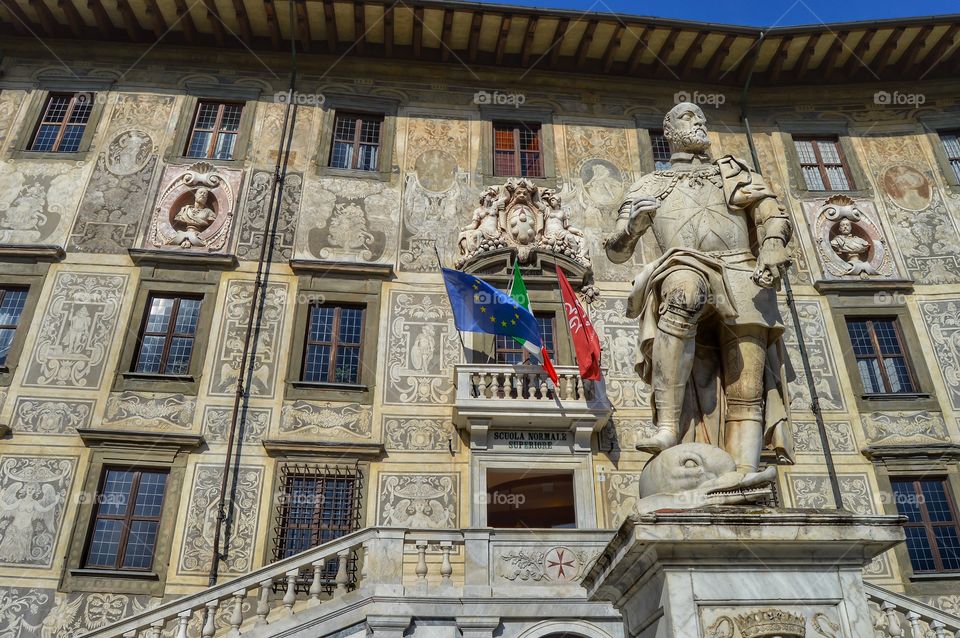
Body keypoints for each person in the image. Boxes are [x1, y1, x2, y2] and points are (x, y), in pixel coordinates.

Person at [604, 102, 795, 493]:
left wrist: (773, 244)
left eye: (701, 117)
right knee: (683, 289)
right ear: (669, 129)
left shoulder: (732, 172)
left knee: (747, 385)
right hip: (685, 262)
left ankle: (742, 474)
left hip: (743, 271)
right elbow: (616, 250)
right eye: (690, 117)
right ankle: (668, 427)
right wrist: (633, 227)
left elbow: (771, 213)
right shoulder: (648, 185)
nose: (701, 122)